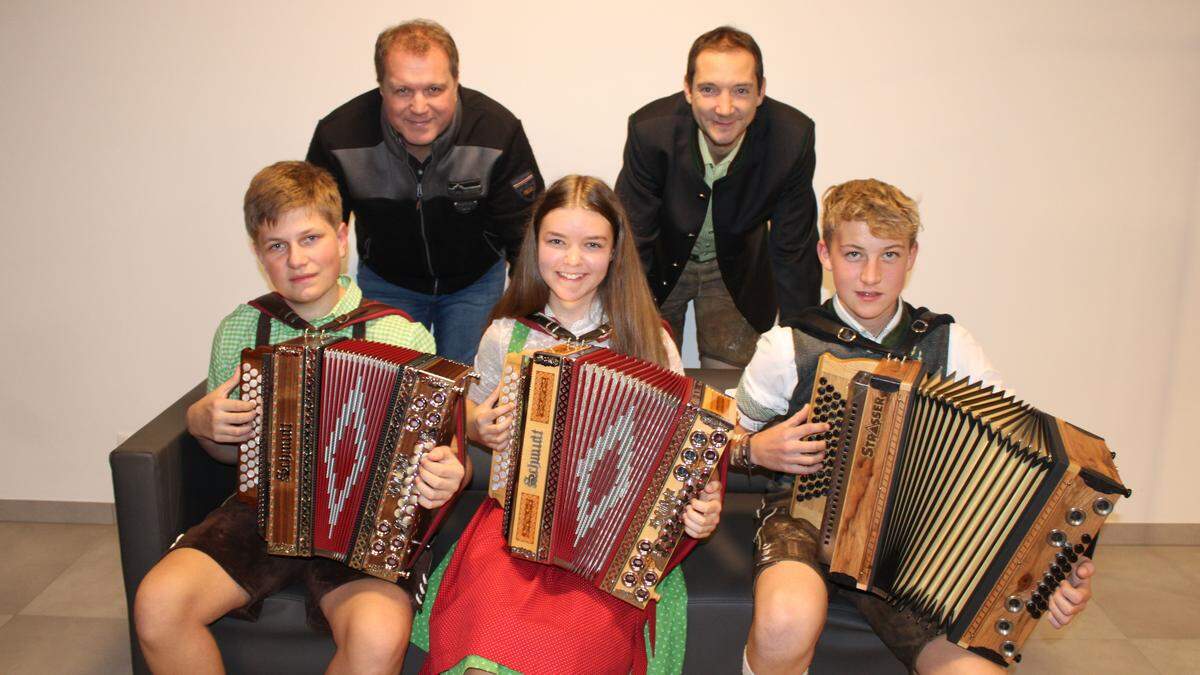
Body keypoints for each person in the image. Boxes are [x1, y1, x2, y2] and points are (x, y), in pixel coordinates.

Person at [731, 178, 1097, 674]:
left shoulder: (950, 343)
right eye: (854, 253)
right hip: (802, 518)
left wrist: (1057, 568)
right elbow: (719, 433)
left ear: (913, 256)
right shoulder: (787, 346)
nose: (871, 274)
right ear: (825, 253)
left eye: (890, 255)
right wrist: (755, 448)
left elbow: (1022, 463)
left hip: (917, 546)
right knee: (784, 622)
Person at [133, 161, 466, 675]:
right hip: (259, 511)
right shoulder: (241, 329)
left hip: (363, 525)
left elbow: (441, 459)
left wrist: (448, 473)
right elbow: (228, 452)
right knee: (157, 604)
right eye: (277, 246)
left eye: (310, 238)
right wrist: (203, 424)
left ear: (342, 235)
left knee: (379, 635)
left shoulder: (402, 336)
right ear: (258, 251)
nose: (297, 260)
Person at [415, 175, 723, 675]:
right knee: (481, 663)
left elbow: (688, 452)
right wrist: (477, 425)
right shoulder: (505, 334)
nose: (572, 261)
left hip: (615, 540)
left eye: (592, 245)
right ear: (534, 245)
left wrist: (703, 506)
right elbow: (467, 415)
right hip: (514, 525)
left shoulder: (650, 339)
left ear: (615, 251)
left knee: (566, 656)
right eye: (556, 242)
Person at [306, 19, 544, 365]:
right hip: (387, 282)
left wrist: (531, 321)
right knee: (387, 387)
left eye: (434, 89)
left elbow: (527, 236)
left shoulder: (497, 131)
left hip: (474, 283)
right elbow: (316, 229)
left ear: (456, 82)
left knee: (465, 386)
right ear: (381, 88)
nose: (419, 107)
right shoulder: (339, 137)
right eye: (403, 90)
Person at [615, 26, 820, 369]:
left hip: (737, 268)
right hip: (661, 265)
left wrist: (803, 350)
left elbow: (794, 252)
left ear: (761, 92)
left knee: (734, 388)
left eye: (741, 90)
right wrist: (623, 316)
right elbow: (633, 238)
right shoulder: (649, 131)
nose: (724, 109)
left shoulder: (792, 138)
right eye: (709, 90)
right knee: (648, 379)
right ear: (688, 89)